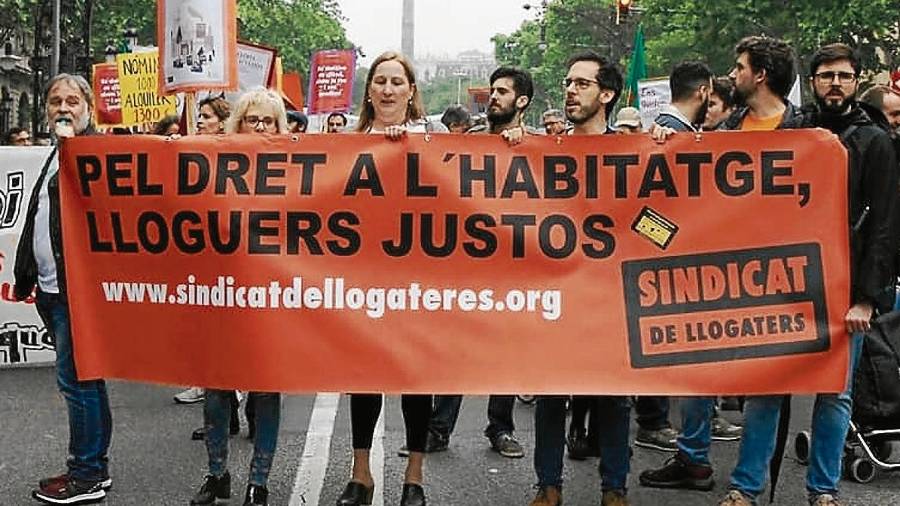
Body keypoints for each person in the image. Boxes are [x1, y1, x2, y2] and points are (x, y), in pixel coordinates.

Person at [717, 42, 899, 506]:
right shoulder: (796, 129)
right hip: (785, 284)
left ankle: (824, 491)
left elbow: (884, 225)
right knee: (767, 388)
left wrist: (866, 298)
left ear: (856, 80)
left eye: (843, 75)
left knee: (834, 396)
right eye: (826, 76)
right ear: (813, 82)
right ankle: (746, 486)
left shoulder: (874, 140)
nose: (835, 83)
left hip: (844, 291)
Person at [530, 51, 632, 506]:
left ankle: (614, 489)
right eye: (568, 82)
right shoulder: (546, 151)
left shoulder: (636, 152)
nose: (570, 90)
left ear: (606, 94)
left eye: (582, 84)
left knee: (614, 396)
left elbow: (656, 220)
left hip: (613, 295)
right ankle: (548, 486)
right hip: (557, 292)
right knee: (552, 392)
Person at [421, 67, 532, 461]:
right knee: (456, 351)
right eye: (493, 90)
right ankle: (438, 429)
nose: (494, 97)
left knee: (504, 353)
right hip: (467, 270)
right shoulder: (466, 144)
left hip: (512, 271)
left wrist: (522, 145)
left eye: (503, 92)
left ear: (522, 102)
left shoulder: (534, 146)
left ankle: (500, 428)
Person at [15, 73, 113, 505]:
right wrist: (26, 273)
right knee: (87, 380)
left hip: (78, 291)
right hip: (53, 289)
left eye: (72, 100)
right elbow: (40, 219)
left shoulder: (93, 153)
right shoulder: (54, 154)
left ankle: (86, 473)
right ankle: (95, 468)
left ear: (88, 107)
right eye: (55, 100)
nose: (62, 107)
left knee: (77, 382)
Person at [340, 51, 432, 506]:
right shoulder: (345, 142)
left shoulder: (432, 140)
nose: (389, 89)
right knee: (364, 377)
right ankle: (361, 473)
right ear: (369, 89)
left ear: (411, 91)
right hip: (365, 279)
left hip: (418, 280)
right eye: (381, 81)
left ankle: (413, 476)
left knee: (415, 380)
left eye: (398, 82)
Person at [189, 88, 287, 506]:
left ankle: (258, 481)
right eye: (253, 120)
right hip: (223, 295)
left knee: (266, 391)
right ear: (239, 123)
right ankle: (217, 475)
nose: (260, 127)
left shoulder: (299, 167)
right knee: (216, 390)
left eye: (268, 121)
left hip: (272, 298)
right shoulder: (213, 163)